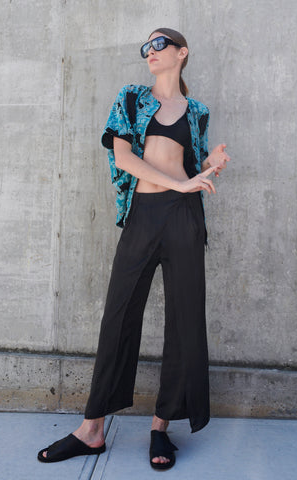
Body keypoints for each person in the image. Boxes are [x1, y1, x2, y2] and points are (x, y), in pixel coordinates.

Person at [38, 27, 230, 470]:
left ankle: (161, 428)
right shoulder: (130, 97)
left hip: (184, 218)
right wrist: (181, 181)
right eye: (146, 47)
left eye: (160, 44)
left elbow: (190, 163)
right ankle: (92, 430)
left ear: (182, 53)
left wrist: (209, 164)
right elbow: (124, 157)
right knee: (119, 316)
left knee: (185, 320)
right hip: (142, 214)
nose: (151, 52)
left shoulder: (197, 110)